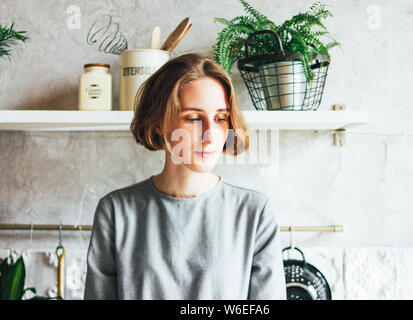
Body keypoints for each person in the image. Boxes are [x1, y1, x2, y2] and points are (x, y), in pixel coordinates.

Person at [83, 53, 286, 300]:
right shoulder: (116, 211)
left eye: (220, 118)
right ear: (159, 122)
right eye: (192, 118)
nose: (210, 134)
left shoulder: (255, 212)